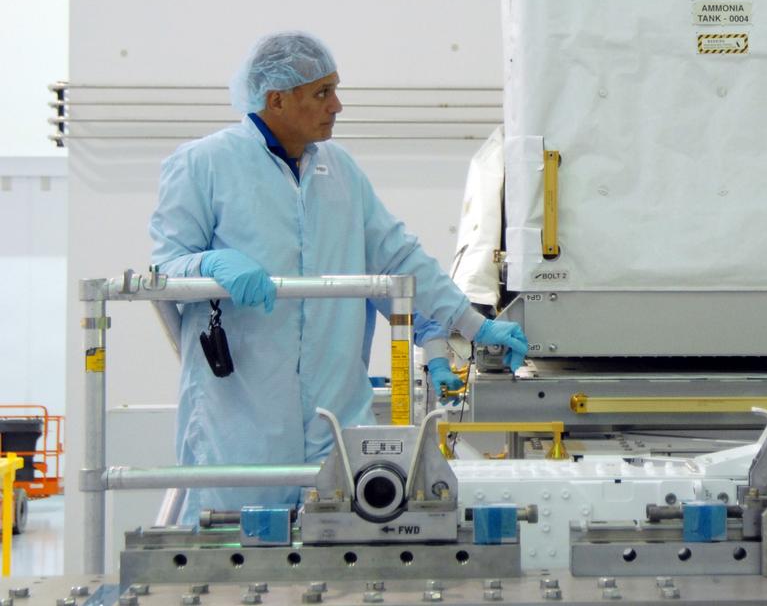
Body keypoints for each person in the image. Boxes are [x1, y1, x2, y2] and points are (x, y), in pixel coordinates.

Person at [150, 31, 528, 521]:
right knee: (234, 541)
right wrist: (209, 266)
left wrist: (475, 326)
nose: (338, 105)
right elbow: (165, 267)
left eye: (335, 89)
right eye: (322, 93)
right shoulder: (204, 163)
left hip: (334, 410)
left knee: (338, 539)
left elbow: (398, 256)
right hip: (240, 410)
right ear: (277, 99)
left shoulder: (341, 170)